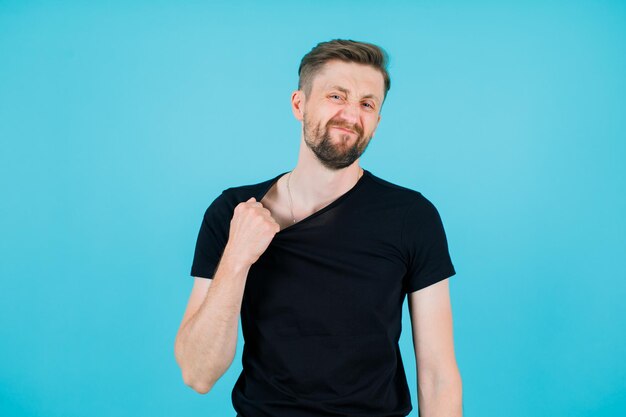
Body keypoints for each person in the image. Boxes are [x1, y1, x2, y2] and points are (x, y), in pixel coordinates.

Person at [174, 39, 463, 417]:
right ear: (299, 104)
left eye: (366, 104)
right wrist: (238, 256)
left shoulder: (412, 216)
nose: (350, 114)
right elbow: (198, 374)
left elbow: (438, 375)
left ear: (376, 122)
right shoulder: (234, 212)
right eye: (335, 96)